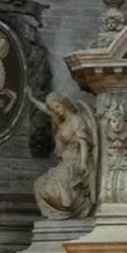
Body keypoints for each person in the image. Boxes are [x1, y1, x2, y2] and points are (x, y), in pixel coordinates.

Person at [26, 89, 95, 218]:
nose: (56, 110)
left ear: (64, 103)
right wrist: (32, 100)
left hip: (75, 161)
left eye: (57, 106)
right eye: (53, 109)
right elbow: (46, 110)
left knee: (53, 188)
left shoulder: (76, 120)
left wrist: (84, 162)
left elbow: (83, 143)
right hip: (64, 161)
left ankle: (73, 206)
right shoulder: (61, 121)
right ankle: (63, 210)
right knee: (40, 184)